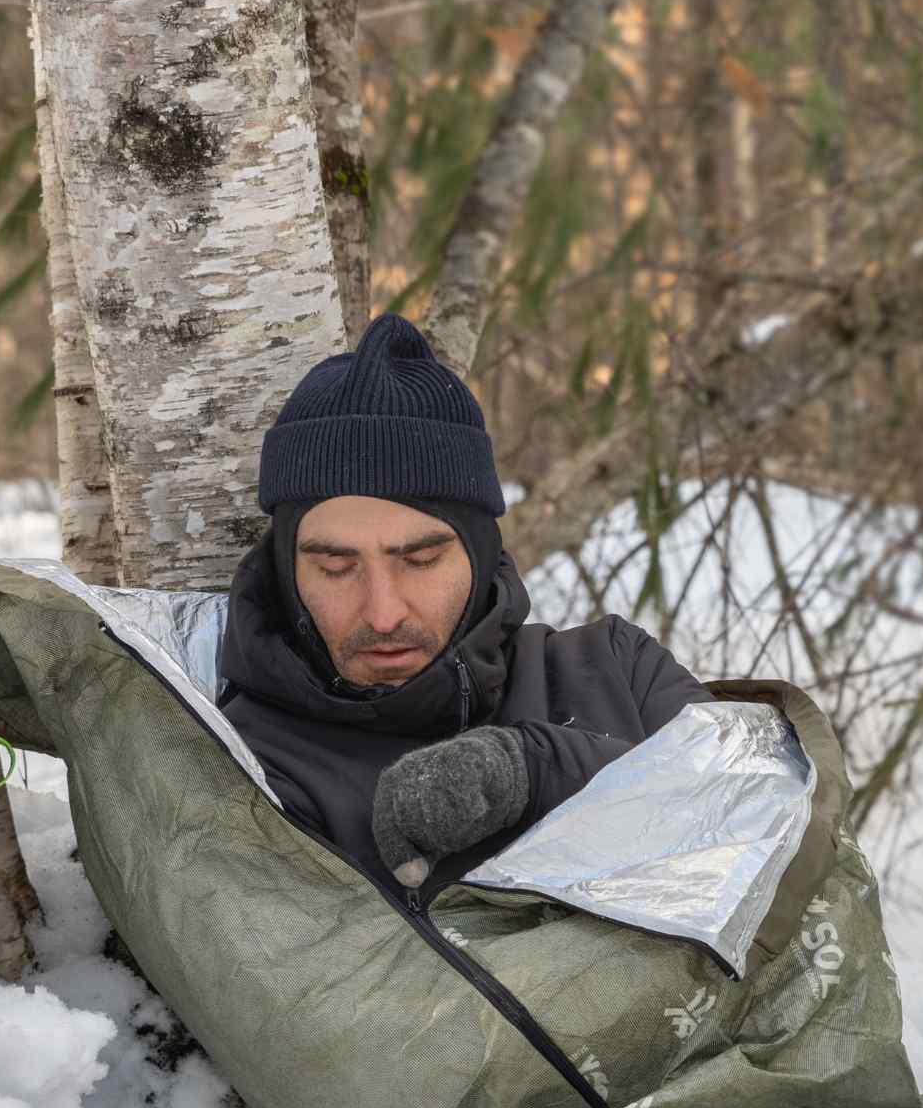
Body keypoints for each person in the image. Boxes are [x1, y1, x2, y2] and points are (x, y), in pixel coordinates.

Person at [218, 313, 708, 894]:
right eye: (336, 568)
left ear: (478, 553)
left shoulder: (615, 669)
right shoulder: (237, 767)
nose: (383, 614)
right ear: (287, 571)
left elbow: (771, 823)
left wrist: (538, 770)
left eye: (421, 561)